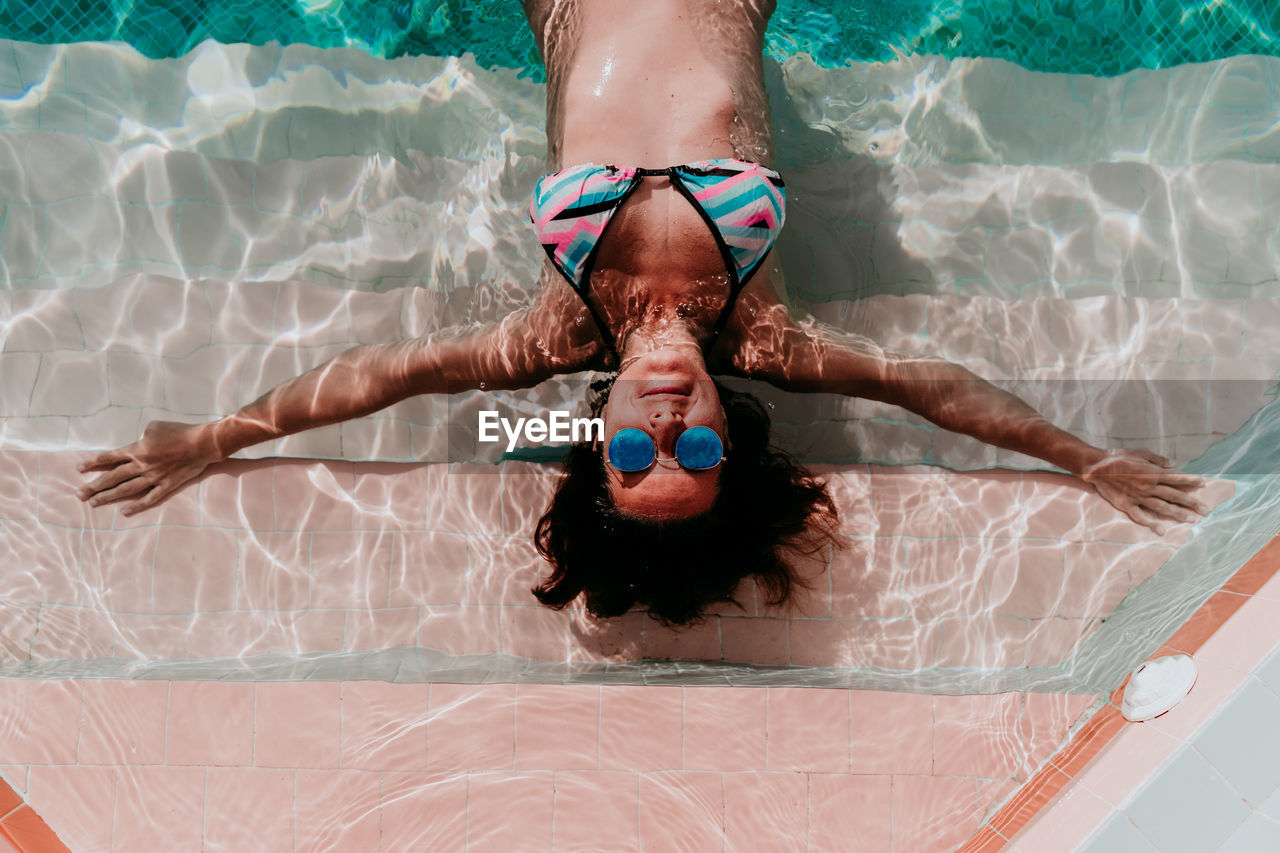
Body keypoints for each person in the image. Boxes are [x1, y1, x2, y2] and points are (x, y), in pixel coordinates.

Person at [76, 0, 1208, 626]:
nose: (665, 420)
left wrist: (215, 435)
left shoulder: (549, 337)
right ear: (737, 438)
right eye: (697, 449)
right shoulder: (769, 336)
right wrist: (1085, 459)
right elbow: (937, 392)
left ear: (592, 445)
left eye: (631, 452)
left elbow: (379, 376)